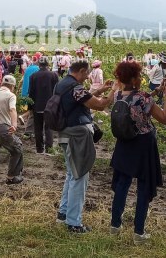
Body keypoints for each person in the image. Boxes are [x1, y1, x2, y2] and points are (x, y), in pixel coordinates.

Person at [109, 60, 166, 245]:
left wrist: (156, 91)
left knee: (122, 184)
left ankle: (115, 225)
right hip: (144, 144)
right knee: (144, 187)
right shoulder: (144, 98)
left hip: (124, 143)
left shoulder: (118, 95)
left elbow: (135, 100)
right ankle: (138, 232)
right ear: (136, 78)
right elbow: (164, 119)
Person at [56, 60, 114, 233]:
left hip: (64, 133)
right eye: (86, 73)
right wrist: (113, 90)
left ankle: (63, 213)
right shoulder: (75, 88)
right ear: (81, 71)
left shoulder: (63, 84)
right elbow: (100, 104)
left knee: (71, 173)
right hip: (77, 136)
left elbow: (82, 99)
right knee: (79, 176)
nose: (88, 76)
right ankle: (73, 223)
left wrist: (101, 89)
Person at [28, 57, 59, 154]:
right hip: (50, 105)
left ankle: (39, 149)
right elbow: (57, 91)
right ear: (48, 65)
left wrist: (30, 107)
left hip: (37, 105)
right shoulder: (54, 75)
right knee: (49, 127)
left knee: (38, 128)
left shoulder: (33, 76)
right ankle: (49, 148)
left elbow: (31, 92)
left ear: (39, 65)